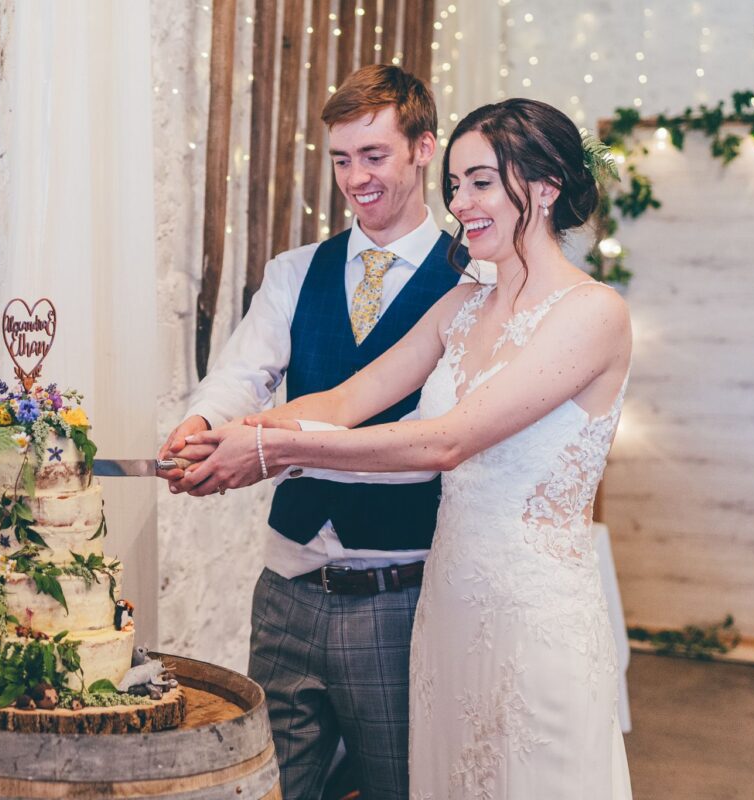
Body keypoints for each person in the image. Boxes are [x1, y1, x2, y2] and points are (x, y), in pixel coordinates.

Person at [177, 98, 634, 799]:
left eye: (481, 181)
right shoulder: (460, 307)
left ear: (543, 188)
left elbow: (447, 441)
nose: (461, 201)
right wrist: (229, 437)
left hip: (532, 619)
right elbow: (342, 403)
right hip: (447, 610)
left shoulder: (593, 313)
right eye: (455, 184)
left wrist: (271, 456)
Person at [159, 64, 488, 799]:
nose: (355, 178)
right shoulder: (295, 270)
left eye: (374, 156)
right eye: (341, 159)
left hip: (399, 590)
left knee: (400, 786)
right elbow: (243, 373)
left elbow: (435, 436)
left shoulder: (473, 283)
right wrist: (201, 425)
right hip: (287, 588)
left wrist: (264, 447)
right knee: (272, 784)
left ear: (423, 148)